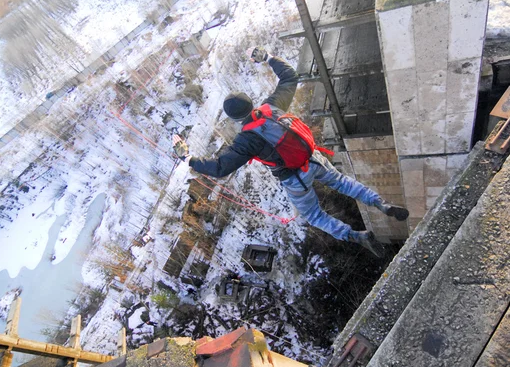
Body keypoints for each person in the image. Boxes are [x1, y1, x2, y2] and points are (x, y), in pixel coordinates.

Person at [172, 47, 409, 257]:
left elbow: (220, 168)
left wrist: (187, 157)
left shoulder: (246, 140)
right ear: (251, 104)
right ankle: (381, 204)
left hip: (294, 178)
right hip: (313, 159)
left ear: (234, 118)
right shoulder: (271, 106)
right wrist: (267, 58)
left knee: (315, 216)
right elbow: (289, 77)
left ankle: (356, 236)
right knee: (344, 183)